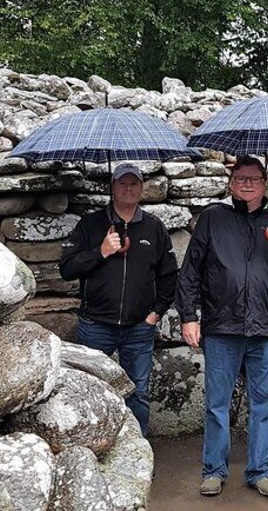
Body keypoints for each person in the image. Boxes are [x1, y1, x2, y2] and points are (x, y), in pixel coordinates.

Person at [176, 155, 268, 498]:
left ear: (264, 184)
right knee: (217, 403)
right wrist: (188, 316)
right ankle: (214, 469)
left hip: (263, 329)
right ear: (231, 183)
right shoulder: (213, 219)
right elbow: (190, 272)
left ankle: (259, 471)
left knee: (264, 403)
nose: (247, 184)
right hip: (222, 326)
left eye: (254, 179)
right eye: (241, 178)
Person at [59, 162, 178, 437]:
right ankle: (93, 451)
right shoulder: (90, 225)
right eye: (122, 183)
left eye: (133, 183)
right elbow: (67, 269)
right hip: (95, 326)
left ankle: (136, 452)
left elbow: (169, 275)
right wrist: (100, 252)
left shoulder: (154, 227)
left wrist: (155, 314)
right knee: (90, 390)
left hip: (139, 328)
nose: (128, 189)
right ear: (112, 187)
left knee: (138, 393)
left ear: (142, 188)